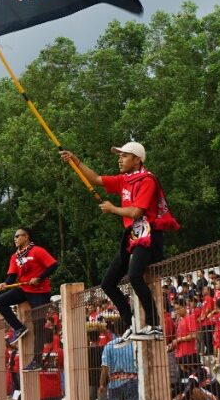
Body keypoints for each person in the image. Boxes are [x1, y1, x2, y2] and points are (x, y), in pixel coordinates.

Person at [61, 142, 176, 342]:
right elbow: (96, 179)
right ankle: (130, 323)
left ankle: (155, 325)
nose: (119, 159)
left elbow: (136, 212)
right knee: (108, 283)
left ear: (137, 159)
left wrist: (113, 209)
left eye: (124, 156)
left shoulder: (148, 180)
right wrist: (76, 161)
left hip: (149, 234)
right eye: (119, 156)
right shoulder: (125, 179)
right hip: (132, 235)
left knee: (134, 276)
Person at [0, 227, 58, 353]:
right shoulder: (15, 256)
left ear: (26, 237)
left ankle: (37, 359)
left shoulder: (37, 251)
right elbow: (11, 277)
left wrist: (39, 278)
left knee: (38, 324)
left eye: (18, 236)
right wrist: (5, 284)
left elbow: (53, 265)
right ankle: (19, 328)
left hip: (40, 291)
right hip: (24, 289)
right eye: (14, 237)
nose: (15, 239)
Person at [100, 331, 140, 400]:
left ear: (116, 329)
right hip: (132, 380)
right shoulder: (135, 344)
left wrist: (102, 384)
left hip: (115, 383)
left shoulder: (109, 345)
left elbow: (105, 367)